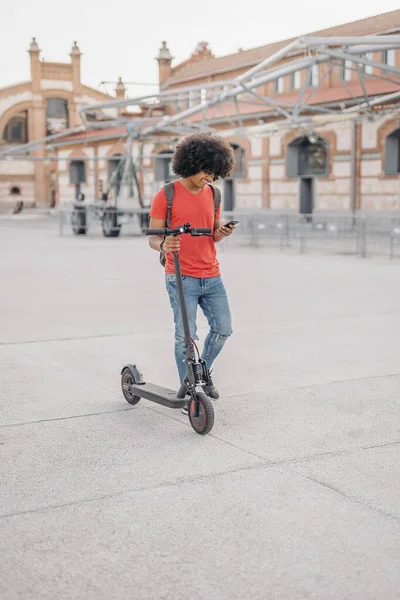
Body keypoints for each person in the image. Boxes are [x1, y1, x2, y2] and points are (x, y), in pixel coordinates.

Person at [148, 132, 236, 414]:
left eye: (215, 173)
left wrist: (221, 233)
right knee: (185, 338)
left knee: (223, 329)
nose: (210, 177)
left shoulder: (214, 194)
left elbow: (213, 234)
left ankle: (197, 379)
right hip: (180, 275)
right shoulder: (167, 195)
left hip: (212, 275)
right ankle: (194, 391)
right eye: (206, 172)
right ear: (191, 163)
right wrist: (165, 243)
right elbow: (152, 238)